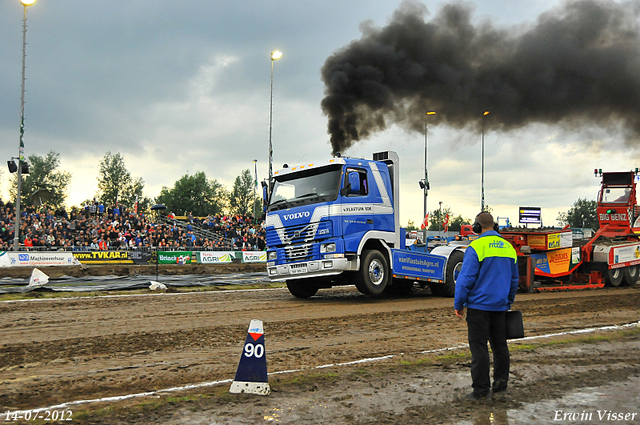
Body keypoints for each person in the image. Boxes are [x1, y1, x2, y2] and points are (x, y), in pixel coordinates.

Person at [454, 212, 519, 402]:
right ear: (494, 226)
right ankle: (500, 384)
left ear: (477, 227)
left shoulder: (476, 247)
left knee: (479, 348)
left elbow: (465, 279)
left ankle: (481, 391)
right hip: (499, 307)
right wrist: (507, 302)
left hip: (478, 307)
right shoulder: (508, 248)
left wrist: (459, 303)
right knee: (500, 346)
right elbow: (514, 280)